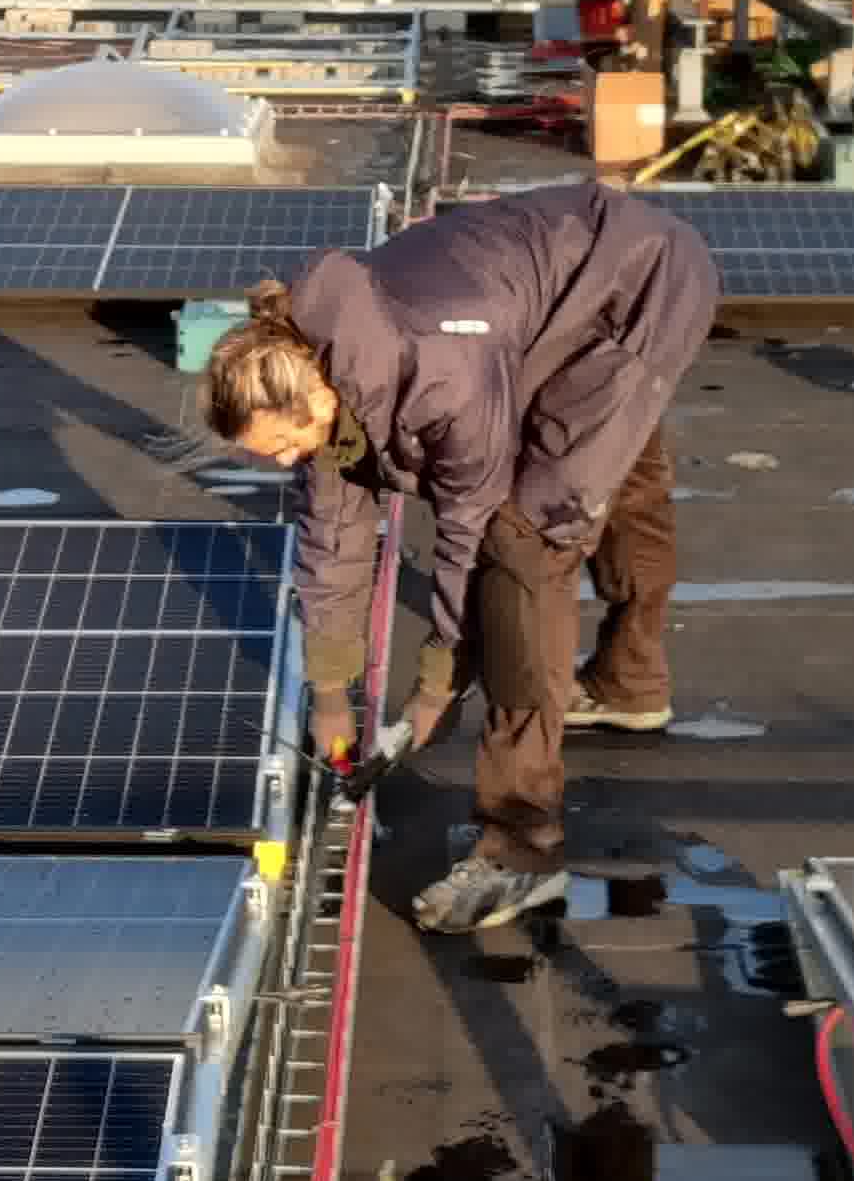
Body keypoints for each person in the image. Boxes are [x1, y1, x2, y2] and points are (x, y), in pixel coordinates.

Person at [206, 184, 720, 937]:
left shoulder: (435, 372)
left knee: (526, 550)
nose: (284, 459)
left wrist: (434, 689)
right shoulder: (316, 370)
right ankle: (631, 683)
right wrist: (328, 694)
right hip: (562, 299)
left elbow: (468, 537)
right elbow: (333, 541)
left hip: (639, 289)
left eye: (285, 443)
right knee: (614, 466)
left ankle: (522, 847)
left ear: (314, 395)